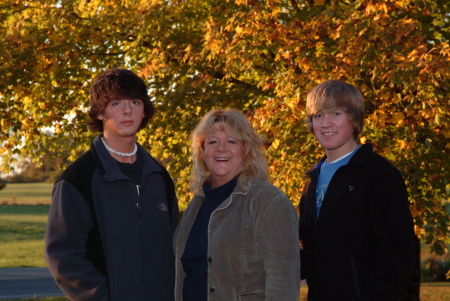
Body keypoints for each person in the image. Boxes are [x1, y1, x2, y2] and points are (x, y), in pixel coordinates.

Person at [45, 68, 179, 300]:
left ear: (144, 110)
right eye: (116, 103)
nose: (128, 110)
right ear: (99, 113)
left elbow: (177, 246)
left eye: (135, 102)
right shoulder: (78, 180)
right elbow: (64, 256)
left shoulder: (159, 177)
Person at [298, 79, 417, 301]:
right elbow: (313, 255)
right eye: (318, 115)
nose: (326, 123)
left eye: (336, 114)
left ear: (353, 120)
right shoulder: (311, 182)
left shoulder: (378, 174)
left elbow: (398, 254)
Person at [174, 108, 300, 301]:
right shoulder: (196, 204)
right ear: (203, 151)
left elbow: (282, 282)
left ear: (246, 149)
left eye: (231, 141)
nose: (221, 148)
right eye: (213, 141)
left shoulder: (267, 201)